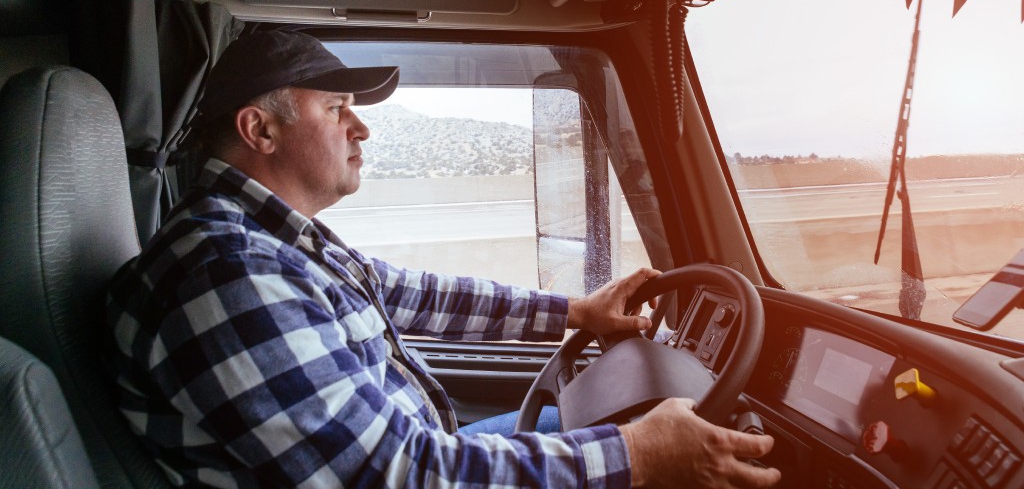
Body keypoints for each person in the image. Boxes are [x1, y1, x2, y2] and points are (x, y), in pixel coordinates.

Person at [106, 31, 781, 488]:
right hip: (406, 472)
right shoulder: (226, 275)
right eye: (337, 107)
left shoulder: (274, 240)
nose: (361, 125)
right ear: (260, 130)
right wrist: (639, 455)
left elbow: (407, 294)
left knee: (573, 426)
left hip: (414, 455)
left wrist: (576, 310)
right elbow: (396, 475)